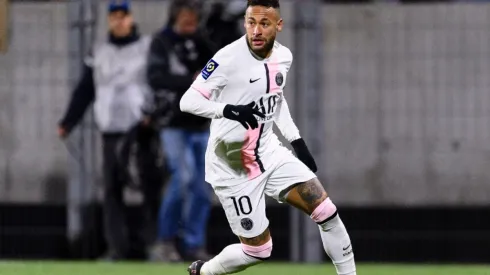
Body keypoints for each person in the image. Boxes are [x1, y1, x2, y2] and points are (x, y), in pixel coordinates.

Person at [179, 0, 357, 274]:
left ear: (279, 25)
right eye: (251, 23)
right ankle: (203, 272)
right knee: (258, 250)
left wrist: (296, 142)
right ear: (245, 23)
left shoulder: (283, 56)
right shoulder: (227, 58)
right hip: (232, 163)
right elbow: (187, 101)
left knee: (326, 212)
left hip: (269, 152)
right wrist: (227, 110)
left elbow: (276, 98)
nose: (257, 30)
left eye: (264, 23)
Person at [58, 0, 163, 260]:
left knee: (149, 187)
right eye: (114, 16)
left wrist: (155, 115)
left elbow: (159, 83)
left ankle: (153, 245)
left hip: (141, 130)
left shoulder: (146, 48)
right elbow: (85, 90)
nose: (118, 20)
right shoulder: (99, 52)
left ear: (130, 18)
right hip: (110, 131)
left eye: (122, 15)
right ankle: (118, 248)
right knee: (112, 190)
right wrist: (68, 122)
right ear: (109, 19)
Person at [146, 0, 216, 262]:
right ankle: (165, 240)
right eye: (186, 19)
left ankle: (193, 244)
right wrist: (191, 81)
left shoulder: (202, 42)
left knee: (202, 187)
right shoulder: (162, 42)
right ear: (176, 17)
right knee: (182, 178)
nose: (191, 25)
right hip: (173, 124)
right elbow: (156, 77)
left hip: (199, 124)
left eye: (194, 20)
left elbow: (221, 67)